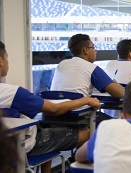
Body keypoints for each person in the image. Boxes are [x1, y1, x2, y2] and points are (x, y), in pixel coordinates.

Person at [0, 41, 101, 173]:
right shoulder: (13, 93)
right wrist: (86, 100)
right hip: (29, 144)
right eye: (7, 57)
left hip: (7, 147)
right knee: (90, 132)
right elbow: (55, 109)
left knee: (46, 126)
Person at [51, 33, 124, 98]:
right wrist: (116, 84)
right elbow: (119, 93)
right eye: (93, 48)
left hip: (53, 109)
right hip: (76, 111)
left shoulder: (62, 64)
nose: (95, 51)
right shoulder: (91, 68)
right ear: (85, 50)